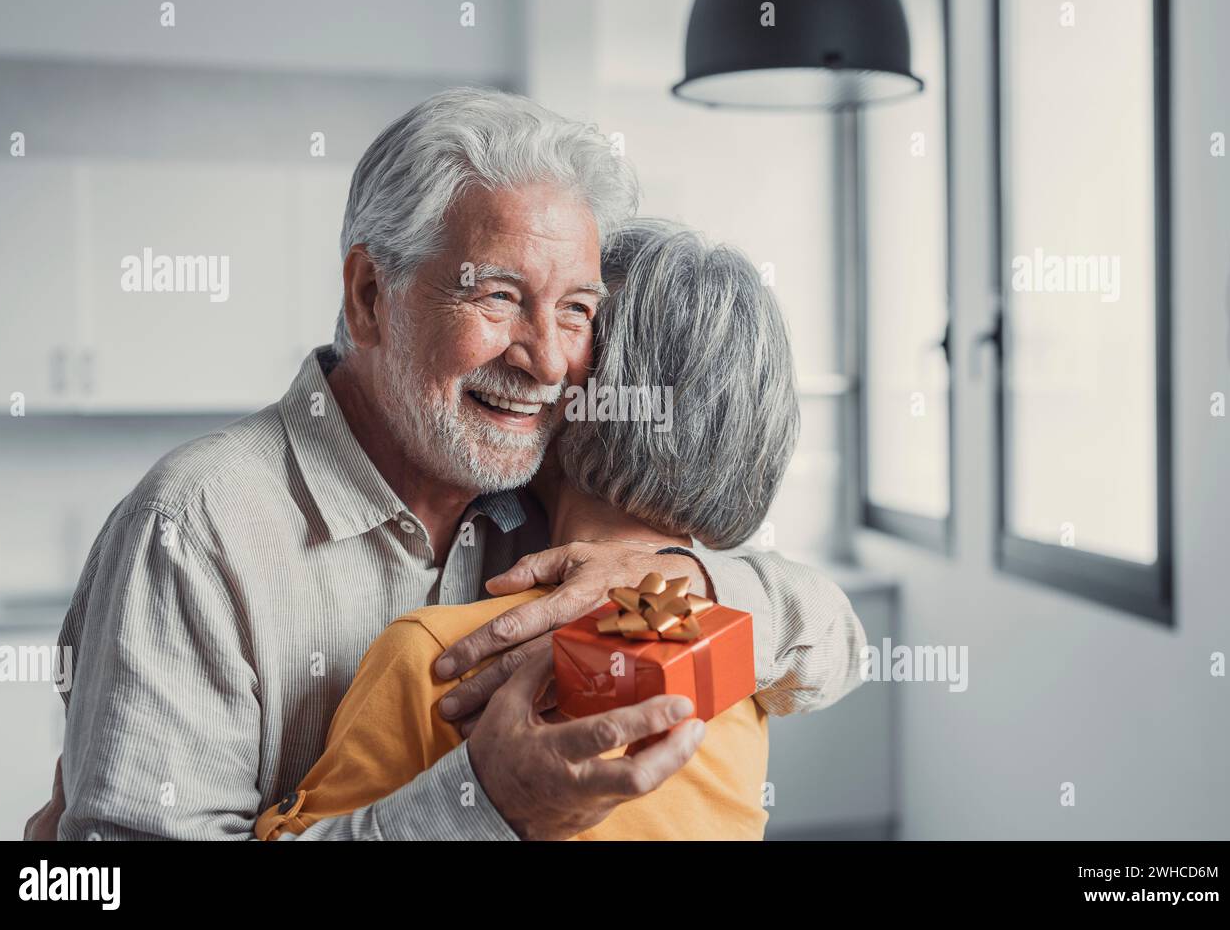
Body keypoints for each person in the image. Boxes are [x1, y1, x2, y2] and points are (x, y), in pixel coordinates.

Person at [30, 88, 866, 841]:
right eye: (498, 295)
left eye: (576, 308)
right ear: (369, 295)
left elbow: (837, 645)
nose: (547, 362)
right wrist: (481, 809)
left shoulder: (547, 504)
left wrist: (693, 577)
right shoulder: (194, 530)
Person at [257, 221, 856, 840]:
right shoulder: (743, 658)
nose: (536, 357)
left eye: (573, 315)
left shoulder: (435, 658)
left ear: (579, 397)